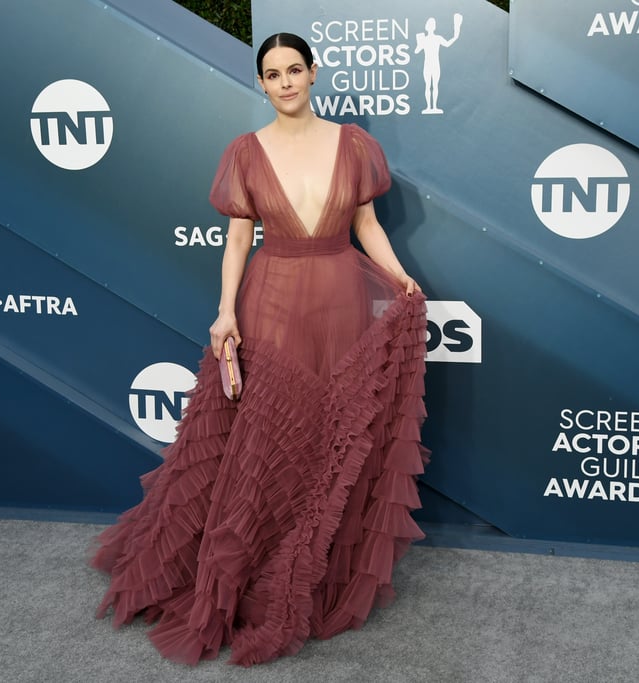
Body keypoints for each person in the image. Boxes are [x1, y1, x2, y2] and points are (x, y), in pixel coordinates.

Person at [91, 32, 429, 667]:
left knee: (329, 436)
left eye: (294, 70)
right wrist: (225, 312)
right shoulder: (245, 153)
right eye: (272, 74)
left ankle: (309, 571)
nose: (285, 83)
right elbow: (238, 240)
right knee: (266, 442)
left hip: (341, 299)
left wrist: (403, 279)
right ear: (262, 83)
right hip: (270, 299)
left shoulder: (354, 144)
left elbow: (366, 226)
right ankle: (247, 575)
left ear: (313, 72)